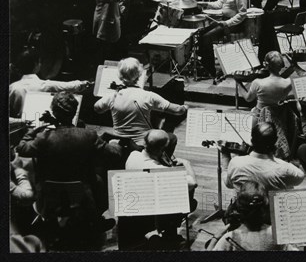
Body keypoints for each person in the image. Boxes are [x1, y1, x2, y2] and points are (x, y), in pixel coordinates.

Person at [17, 92, 118, 230]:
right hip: (82, 191)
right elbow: (114, 153)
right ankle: (97, 218)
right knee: (99, 177)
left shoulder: (43, 138)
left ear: (53, 112)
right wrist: (114, 143)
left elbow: (22, 148)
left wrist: (37, 129)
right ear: (75, 111)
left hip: (49, 192)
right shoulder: (89, 135)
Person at [124, 129, 197, 247]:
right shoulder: (162, 172)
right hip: (153, 209)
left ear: (144, 143)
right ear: (162, 149)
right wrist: (186, 164)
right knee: (190, 200)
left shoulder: (133, 155)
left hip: (134, 202)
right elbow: (193, 183)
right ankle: (170, 235)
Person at [93, 57, 187, 149]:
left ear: (120, 76)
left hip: (120, 143)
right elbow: (178, 110)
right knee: (172, 138)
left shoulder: (112, 96)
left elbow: (97, 108)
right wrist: (185, 108)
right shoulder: (148, 96)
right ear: (139, 75)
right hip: (142, 146)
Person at [9, 47, 90, 118]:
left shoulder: (12, 87)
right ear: (36, 65)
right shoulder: (44, 85)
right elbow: (67, 86)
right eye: (39, 62)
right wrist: (83, 83)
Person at [224, 122, 305, 193]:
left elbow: (229, 184)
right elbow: (300, 177)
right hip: (270, 210)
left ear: (251, 140)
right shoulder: (284, 168)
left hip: (244, 209)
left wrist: (225, 157)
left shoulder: (236, 163)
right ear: (276, 140)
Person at [213, 181, 294, 251]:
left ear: (239, 208)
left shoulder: (230, 238)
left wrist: (215, 238)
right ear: (265, 208)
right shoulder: (277, 235)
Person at [197, 0, 249, 77]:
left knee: (207, 37)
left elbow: (242, 14)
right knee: (201, 33)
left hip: (235, 24)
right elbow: (219, 4)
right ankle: (203, 65)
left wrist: (227, 23)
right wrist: (204, 3)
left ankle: (210, 71)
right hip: (224, 21)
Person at [241, 51, 292, 116]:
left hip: (261, 118)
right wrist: (294, 65)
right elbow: (282, 78)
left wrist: (238, 82)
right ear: (282, 65)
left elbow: (248, 99)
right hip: (280, 117)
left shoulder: (257, 82)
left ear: (265, 65)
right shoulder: (288, 82)